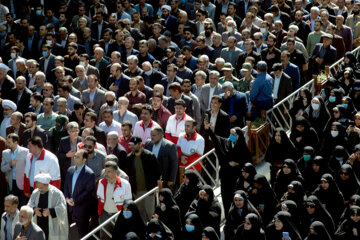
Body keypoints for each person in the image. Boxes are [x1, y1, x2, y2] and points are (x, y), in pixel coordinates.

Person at [205, 122, 252, 215]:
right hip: (225, 177)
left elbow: (248, 162)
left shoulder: (243, 148)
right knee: (226, 199)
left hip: (237, 178)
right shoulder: (226, 143)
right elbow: (216, 139)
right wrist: (208, 130)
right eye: (231, 134)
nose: (232, 136)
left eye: (234, 134)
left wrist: (238, 163)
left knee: (237, 200)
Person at [125, 135, 161, 220]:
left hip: (149, 190)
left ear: (140, 144)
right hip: (136, 192)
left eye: (134, 144)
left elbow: (158, 173)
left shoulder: (150, 156)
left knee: (150, 213)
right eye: (131, 144)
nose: (132, 147)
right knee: (140, 214)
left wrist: (155, 188)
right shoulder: (129, 158)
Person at [64, 149, 96, 238]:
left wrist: (75, 201)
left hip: (82, 209)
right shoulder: (70, 170)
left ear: (84, 159)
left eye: (77, 157)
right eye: (75, 156)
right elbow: (66, 185)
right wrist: (66, 198)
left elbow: (88, 191)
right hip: (69, 206)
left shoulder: (90, 174)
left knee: (83, 233)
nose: (75, 158)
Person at [27, 173, 68, 240]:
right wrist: (34, 209)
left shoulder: (57, 193)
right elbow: (29, 205)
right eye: (38, 187)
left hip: (52, 225)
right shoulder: (35, 192)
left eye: (41, 187)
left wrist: (51, 211)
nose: (39, 189)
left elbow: (63, 208)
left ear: (47, 184)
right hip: (38, 224)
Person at [97, 161, 132, 240]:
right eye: (105, 171)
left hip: (119, 215)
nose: (106, 174)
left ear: (116, 171)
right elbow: (99, 198)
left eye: (109, 171)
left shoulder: (125, 184)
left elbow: (128, 202)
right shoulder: (101, 183)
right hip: (105, 215)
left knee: (120, 236)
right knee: (104, 237)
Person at [1, 134, 29, 206]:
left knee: (23, 204)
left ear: (16, 142)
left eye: (9, 142)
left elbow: (29, 167)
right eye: (7, 142)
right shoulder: (5, 153)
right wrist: (10, 165)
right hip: (11, 183)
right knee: (13, 204)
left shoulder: (25, 152)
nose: (7, 144)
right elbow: (2, 168)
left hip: (22, 183)